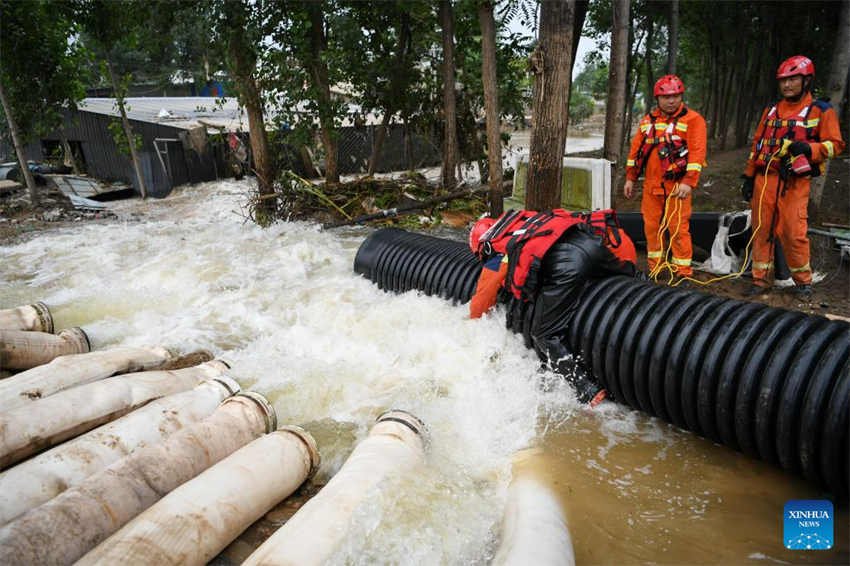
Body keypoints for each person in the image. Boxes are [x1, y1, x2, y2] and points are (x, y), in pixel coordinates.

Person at [468, 209, 637, 406]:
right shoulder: (523, 223)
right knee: (626, 277)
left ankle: (588, 392)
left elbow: (482, 302)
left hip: (568, 262)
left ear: (481, 246)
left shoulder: (497, 249)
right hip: (594, 245)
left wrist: (471, 328)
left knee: (544, 334)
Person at [740, 55, 845, 298]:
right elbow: (758, 144)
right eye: (783, 81)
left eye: (792, 79)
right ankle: (760, 280)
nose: (787, 85)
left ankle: (802, 282)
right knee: (761, 230)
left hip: (795, 183)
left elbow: (836, 145)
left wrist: (810, 149)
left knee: (793, 232)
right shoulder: (771, 110)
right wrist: (748, 177)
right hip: (764, 179)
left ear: (806, 80)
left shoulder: (821, 110)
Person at [624, 75, 707, 281]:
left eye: (675, 96)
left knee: (678, 229)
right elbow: (636, 152)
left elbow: (697, 155)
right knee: (651, 229)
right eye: (666, 97)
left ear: (681, 96)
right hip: (652, 187)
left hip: (677, 186)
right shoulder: (648, 122)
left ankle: (683, 273)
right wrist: (630, 178)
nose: (671, 101)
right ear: (657, 98)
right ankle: (656, 268)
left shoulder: (693, 120)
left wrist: (689, 182)